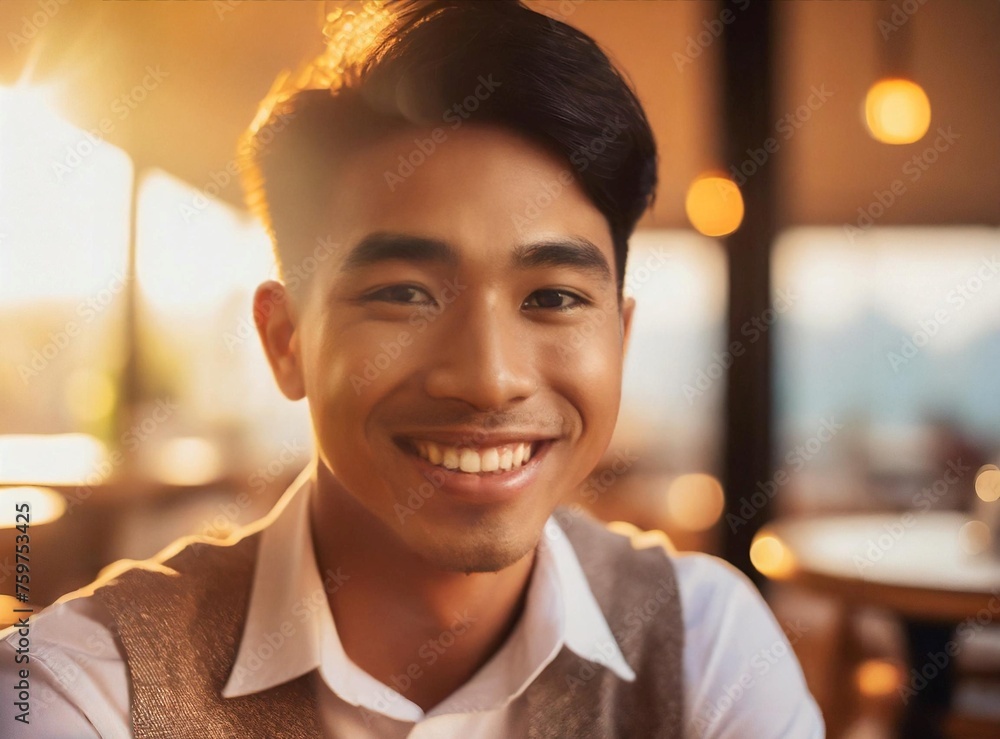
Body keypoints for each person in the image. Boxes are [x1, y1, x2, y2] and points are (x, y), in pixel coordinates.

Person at [0, 1, 824, 736]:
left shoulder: (709, 651)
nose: (489, 378)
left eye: (554, 297)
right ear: (286, 340)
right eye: (402, 292)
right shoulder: (78, 691)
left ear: (622, 334)